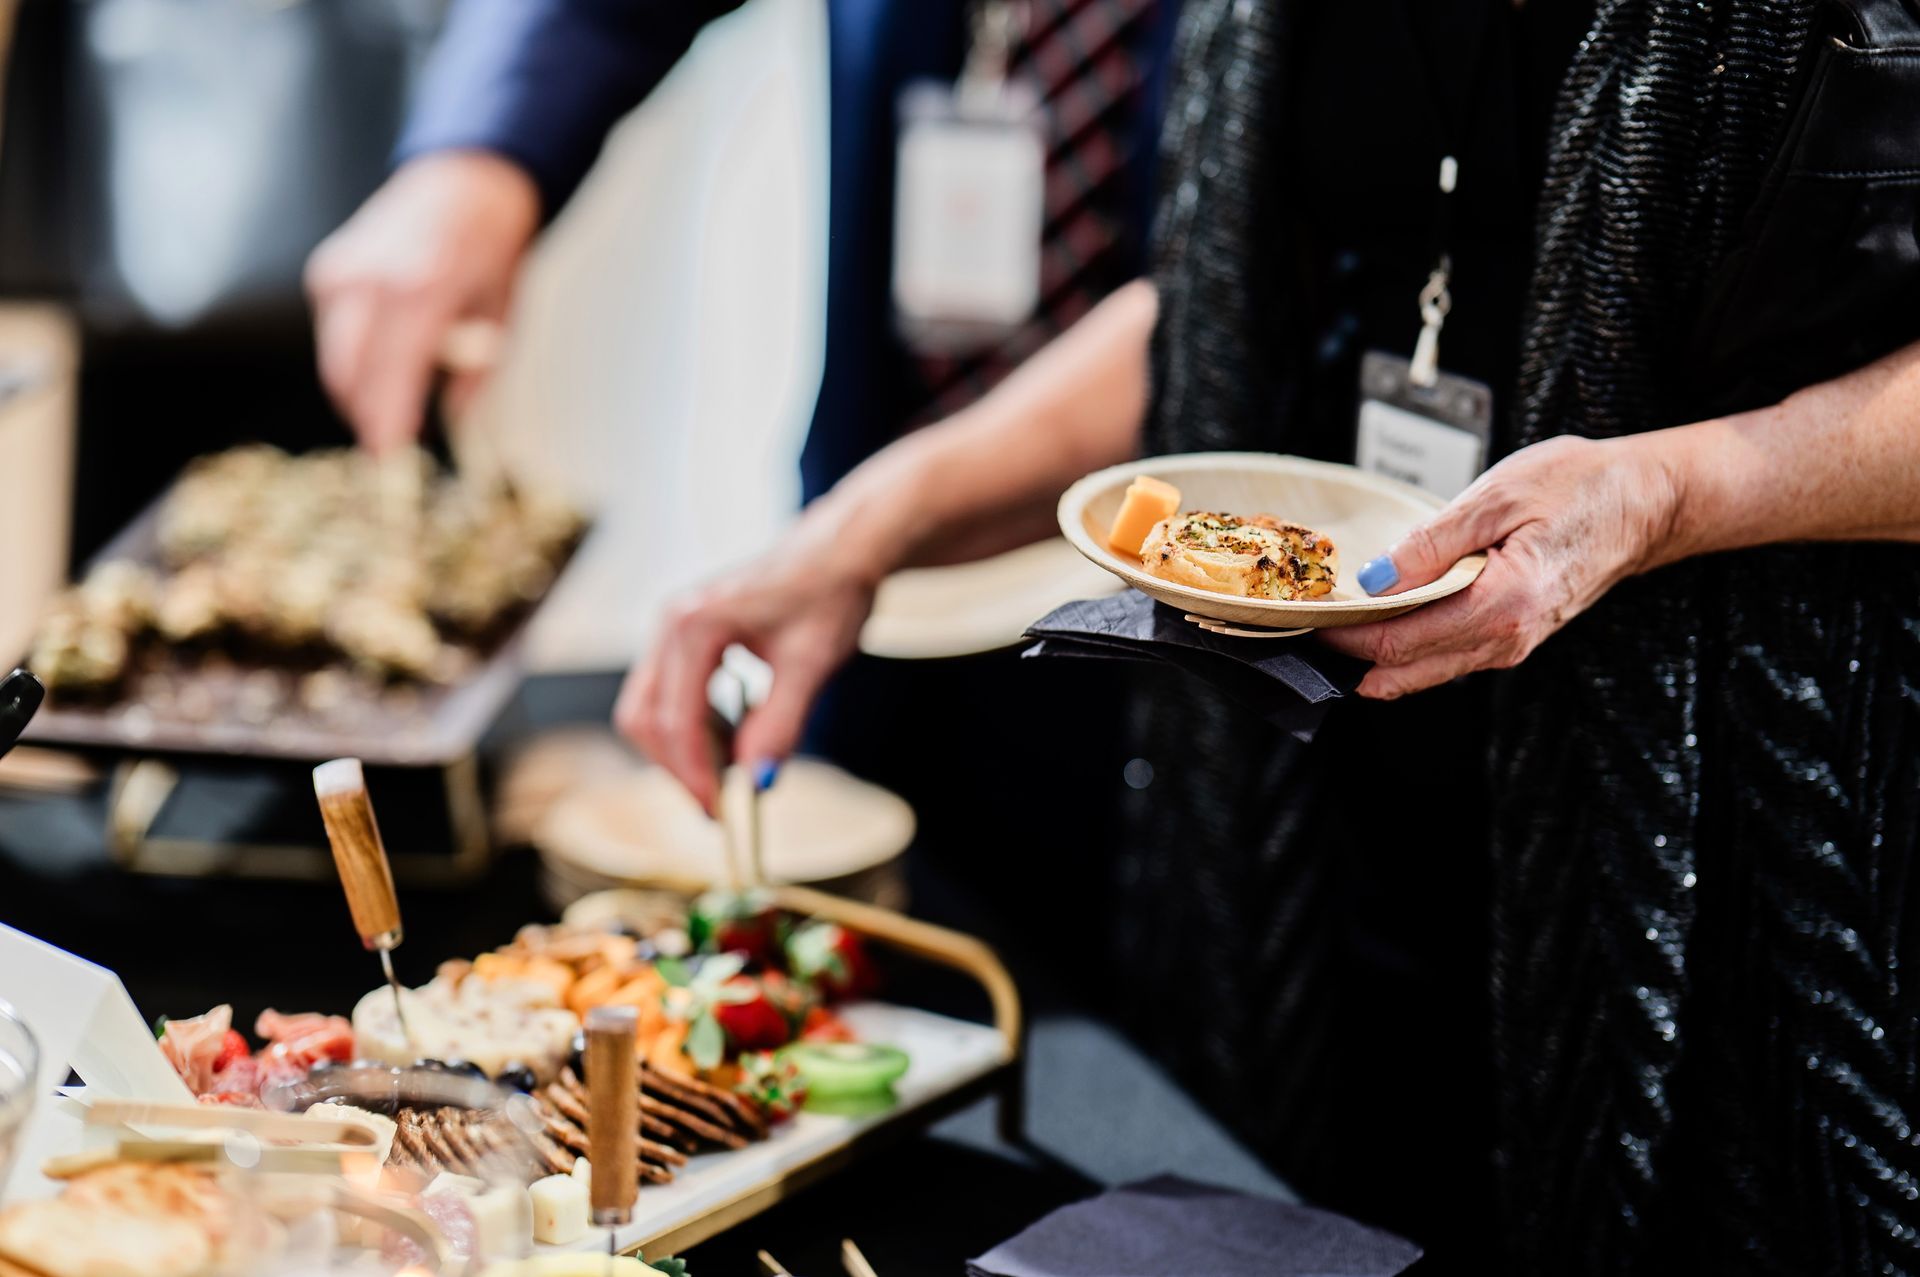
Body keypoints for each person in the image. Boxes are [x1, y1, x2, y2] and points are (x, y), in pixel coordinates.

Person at [626, 0, 1920, 1271]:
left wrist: (1672, 493)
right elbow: (1217, 301)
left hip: (1718, 874)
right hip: (1299, 834)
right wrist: (867, 524)